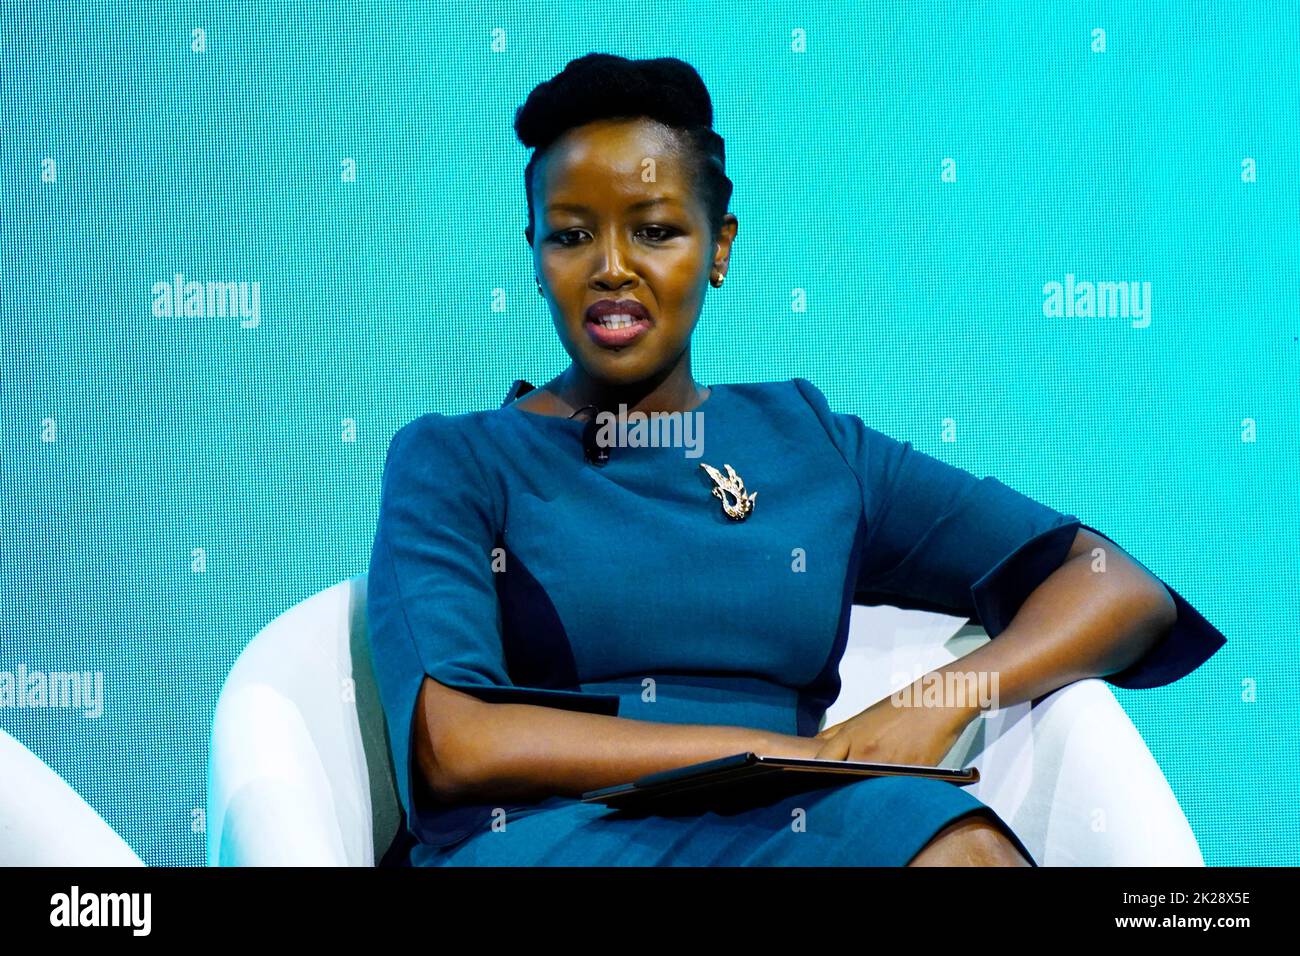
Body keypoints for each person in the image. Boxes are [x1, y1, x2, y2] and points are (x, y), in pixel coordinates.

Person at [365, 53, 1227, 867]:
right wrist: (777, 753)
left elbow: (1116, 586)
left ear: (721, 249)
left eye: (656, 231)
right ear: (537, 255)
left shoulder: (805, 440)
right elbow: (454, 743)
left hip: (795, 822)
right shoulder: (457, 457)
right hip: (554, 836)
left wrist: (943, 698)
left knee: (957, 847)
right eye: (571, 237)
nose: (612, 269)